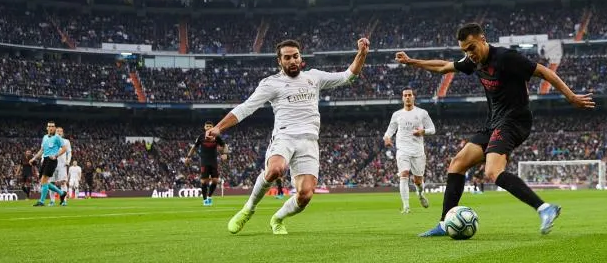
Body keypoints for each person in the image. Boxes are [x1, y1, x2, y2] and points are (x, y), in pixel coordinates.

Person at [395, 23, 595, 236]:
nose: (469, 54)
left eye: (471, 47)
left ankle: (545, 208)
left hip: (514, 121)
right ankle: (445, 224)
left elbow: (544, 72)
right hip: (493, 122)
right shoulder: (473, 61)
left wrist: (571, 96)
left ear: (483, 39)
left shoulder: (506, 57)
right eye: (464, 50)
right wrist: (412, 62)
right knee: (457, 164)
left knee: (492, 171)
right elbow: (443, 67)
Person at [207, 37, 369, 236]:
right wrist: (219, 128)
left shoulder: (314, 77)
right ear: (279, 61)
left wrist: (362, 53)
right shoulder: (271, 83)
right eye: (287, 58)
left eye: (295, 56)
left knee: (305, 195)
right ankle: (248, 209)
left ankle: (278, 218)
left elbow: (348, 76)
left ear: (301, 58)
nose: (292, 61)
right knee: (276, 169)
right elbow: (246, 107)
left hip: (309, 142)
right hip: (285, 137)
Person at [383, 88, 435, 213]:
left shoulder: (422, 113)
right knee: (404, 174)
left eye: (409, 95)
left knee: (418, 180)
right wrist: (387, 138)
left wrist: (423, 131)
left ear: (413, 97)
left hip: (418, 151)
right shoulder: (397, 115)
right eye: (405, 95)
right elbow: (390, 130)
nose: (407, 97)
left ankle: (420, 193)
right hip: (402, 150)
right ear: (402, 98)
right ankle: (406, 206)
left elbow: (432, 129)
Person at [184, 122, 228, 206]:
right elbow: (194, 147)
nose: (208, 127)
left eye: (210, 126)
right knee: (204, 181)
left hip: (213, 161)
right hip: (204, 161)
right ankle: (205, 199)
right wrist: (188, 157)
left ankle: (209, 197)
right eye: (207, 126)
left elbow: (224, 145)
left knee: (215, 180)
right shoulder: (201, 137)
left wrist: (225, 154)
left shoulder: (216, 137)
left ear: (213, 127)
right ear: (204, 127)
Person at [29, 121, 69, 207]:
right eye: (49, 126)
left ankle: (41, 201)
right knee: (43, 181)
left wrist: (56, 155)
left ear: (54, 128)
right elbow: (42, 150)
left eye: (52, 126)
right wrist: (34, 158)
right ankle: (61, 193)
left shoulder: (57, 138)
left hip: (52, 160)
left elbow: (65, 148)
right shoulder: (45, 137)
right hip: (45, 160)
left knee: (44, 180)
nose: (51, 128)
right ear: (47, 128)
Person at [51, 127, 72, 206]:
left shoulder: (66, 141)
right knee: (51, 183)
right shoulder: (51, 140)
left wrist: (68, 161)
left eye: (61, 131)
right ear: (55, 132)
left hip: (62, 165)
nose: (59, 132)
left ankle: (64, 200)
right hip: (52, 164)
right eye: (58, 131)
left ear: (63, 133)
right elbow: (46, 151)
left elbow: (69, 152)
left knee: (63, 183)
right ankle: (52, 201)